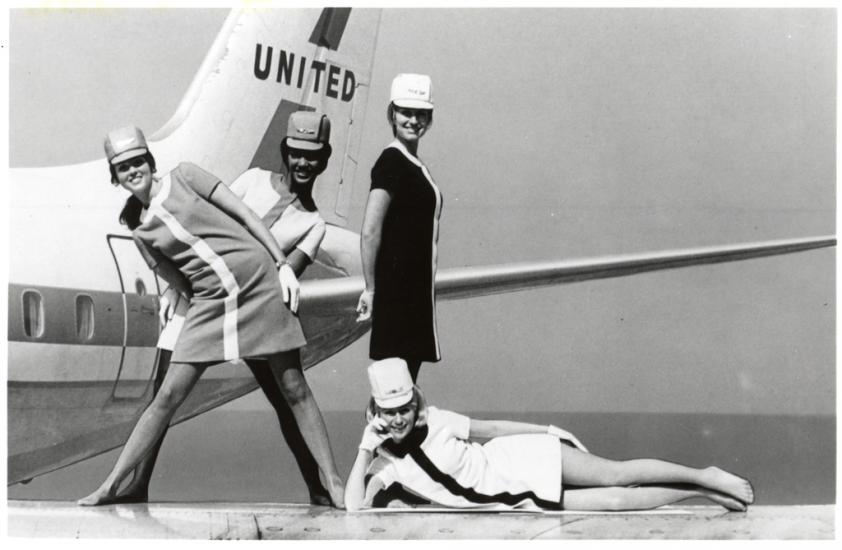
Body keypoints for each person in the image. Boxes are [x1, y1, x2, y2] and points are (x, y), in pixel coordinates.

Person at [78, 124, 344, 507]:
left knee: (294, 389)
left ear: (151, 162)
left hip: (259, 284)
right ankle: (112, 486)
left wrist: (281, 264)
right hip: (210, 303)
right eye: (123, 167)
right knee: (167, 395)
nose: (133, 170)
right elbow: (175, 277)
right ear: (115, 177)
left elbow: (245, 217)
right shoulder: (139, 231)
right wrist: (192, 300)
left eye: (138, 162)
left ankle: (331, 484)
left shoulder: (186, 175)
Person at [345, 358, 755, 512]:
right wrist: (367, 445)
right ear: (377, 412)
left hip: (522, 458)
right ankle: (702, 494)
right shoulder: (388, 464)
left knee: (617, 475)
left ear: (415, 405)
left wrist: (547, 430)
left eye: (404, 409)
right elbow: (354, 507)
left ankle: (705, 474)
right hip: (519, 499)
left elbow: (494, 430)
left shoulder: (438, 420)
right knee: (616, 501)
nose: (399, 419)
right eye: (389, 412)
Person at [356, 74, 442, 383]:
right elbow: (370, 231)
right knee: (394, 394)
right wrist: (371, 289)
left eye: (421, 114)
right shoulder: (392, 161)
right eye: (406, 112)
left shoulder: (411, 163)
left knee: (403, 390)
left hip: (414, 295)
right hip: (397, 296)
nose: (413, 120)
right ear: (392, 113)